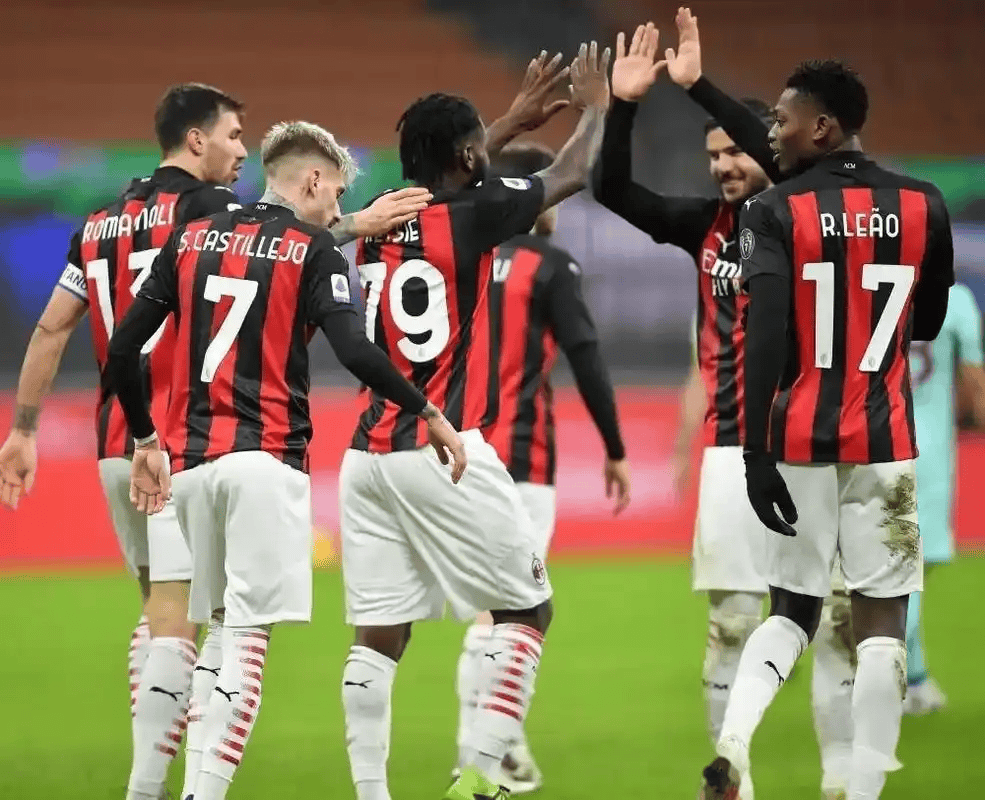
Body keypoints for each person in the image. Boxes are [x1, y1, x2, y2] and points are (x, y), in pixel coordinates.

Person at [104, 120, 453, 800]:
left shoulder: (192, 238)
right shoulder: (313, 249)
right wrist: (428, 411)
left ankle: (178, 789)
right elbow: (354, 351)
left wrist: (144, 440)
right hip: (265, 461)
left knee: (212, 639)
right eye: (336, 193)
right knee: (246, 645)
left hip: (191, 467)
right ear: (314, 180)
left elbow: (123, 349)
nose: (336, 208)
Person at [339, 41, 611, 800]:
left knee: (379, 637)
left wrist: (510, 119)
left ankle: (371, 792)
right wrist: (598, 108)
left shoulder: (381, 216)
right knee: (527, 610)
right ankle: (483, 779)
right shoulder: (479, 214)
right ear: (466, 157)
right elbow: (570, 173)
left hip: (366, 455)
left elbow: (451, 172)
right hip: (443, 445)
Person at [597, 17, 855, 798]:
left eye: (733, 152)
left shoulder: (805, 211)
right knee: (730, 620)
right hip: (730, 444)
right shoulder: (703, 227)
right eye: (711, 156)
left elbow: (772, 154)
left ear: (767, 150)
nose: (722, 166)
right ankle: (732, 779)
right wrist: (624, 107)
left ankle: (843, 779)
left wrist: (694, 86)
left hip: (812, 438)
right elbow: (613, 190)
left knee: (836, 621)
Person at [700, 59, 953, 800]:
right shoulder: (925, 203)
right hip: (886, 445)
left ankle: (733, 744)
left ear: (822, 126)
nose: (771, 135)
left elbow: (765, 335)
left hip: (800, 441)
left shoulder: (773, 210)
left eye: (781, 121)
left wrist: (755, 452)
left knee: (790, 612)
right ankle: (864, 788)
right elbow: (928, 322)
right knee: (881, 627)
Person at [0, 82, 248, 799]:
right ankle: (147, 788)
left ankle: (157, 778)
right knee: (186, 618)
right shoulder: (210, 210)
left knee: (160, 611)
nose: (242, 150)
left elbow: (52, 326)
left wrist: (23, 429)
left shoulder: (101, 222)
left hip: (114, 441)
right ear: (196, 139)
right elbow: (283, 258)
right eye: (233, 135)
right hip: (174, 444)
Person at [452, 142, 631, 793]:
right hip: (521, 456)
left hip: (452, 452)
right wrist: (614, 447)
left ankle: (495, 749)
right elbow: (585, 354)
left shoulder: (458, 254)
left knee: (488, 608)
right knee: (515, 611)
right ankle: (482, 755)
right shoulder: (550, 264)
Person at [904, 284, 985, 713]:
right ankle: (888, 676)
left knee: (898, 565)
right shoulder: (956, 300)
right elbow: (973, 382)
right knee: (914, 569)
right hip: (930, 454)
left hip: (873, 445)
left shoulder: (868, 282)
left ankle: (915, 678)